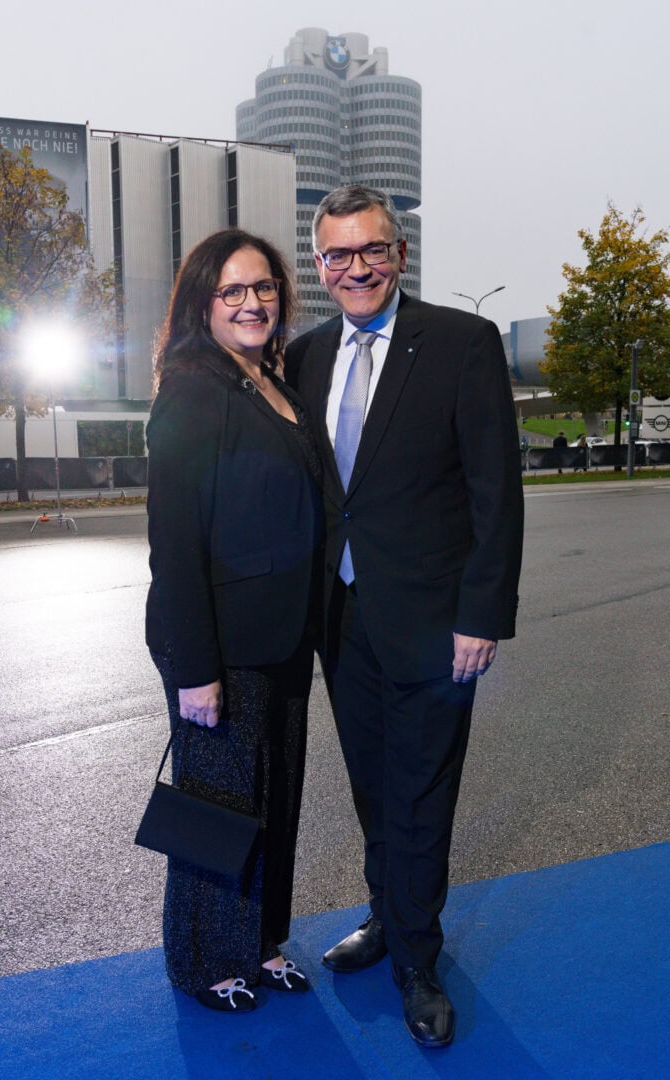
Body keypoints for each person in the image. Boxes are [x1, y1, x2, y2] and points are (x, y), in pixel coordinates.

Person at [284, 185, 524, 1049]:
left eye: (371, 250)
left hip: (434, 624)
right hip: (341, 620)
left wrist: (482, 615)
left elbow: (496, 491)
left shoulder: (463, 343)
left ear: (400, 254)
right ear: (320, 266)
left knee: (422, 790)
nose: (357, 268)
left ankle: (418, 961)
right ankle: (388, 915)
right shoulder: (306, 356)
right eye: (338, 255)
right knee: (373, 786)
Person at [145, 229, 323, 1013]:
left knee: (276, 796)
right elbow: (174, 544)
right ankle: (203, 961)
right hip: (217, 643)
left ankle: (261, 941)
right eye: (233, 291)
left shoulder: (270, 383)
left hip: (283, 635)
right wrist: (194, 671)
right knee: (217, 809)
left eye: (264, 288)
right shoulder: (192, 389)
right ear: (203, 304)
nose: (253, 303)